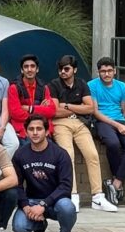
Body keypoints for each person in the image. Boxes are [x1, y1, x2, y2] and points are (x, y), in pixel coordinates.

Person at [48, 55, 117, 213]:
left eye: (66, 69)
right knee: (68, 155)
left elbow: (90, 108)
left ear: (74, 69)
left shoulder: (81, 84)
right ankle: (72, 195)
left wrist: (66, 105)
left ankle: (97, 196)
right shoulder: (53, 84)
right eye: (60, 69)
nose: (63, 72)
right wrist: (76, 108)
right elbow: (54, 111)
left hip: (80, 124)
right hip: (61, 124)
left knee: (92, 155)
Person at [11, 115, 77, 232]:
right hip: (32, 200)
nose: (35, 132)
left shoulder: (60, 154)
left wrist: (43, 205)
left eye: (39, 129)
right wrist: (25, 206)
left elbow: (66, 186)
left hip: (56, 201)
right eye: (31, 129)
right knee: (19, 227)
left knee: (68, 207)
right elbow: (16, 184)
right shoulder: (20, 155)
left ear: (47, 131)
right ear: (26, 132)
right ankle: (39, 226)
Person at [88, 57, 125, 206]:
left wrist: (122, 124)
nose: (106, 74)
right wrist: (117, 126)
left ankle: (116, 182)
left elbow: (124, 109)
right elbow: (95, 112)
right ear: (98, 72)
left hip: (121, 120)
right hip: (102, 121)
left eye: (110, 70)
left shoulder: (122, 86)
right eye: (103, 71)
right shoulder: (92, 85)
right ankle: (116, 185)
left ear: (115, 71)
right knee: (113, 143)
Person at [7, 54, 56, 142]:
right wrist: (41, 109)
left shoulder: (44, 88)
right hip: (23, 129)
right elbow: (15, 113)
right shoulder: (14, 87)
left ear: (37, 69)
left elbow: (51, 111)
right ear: (22, 70)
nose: (29, 69)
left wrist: (30, 109)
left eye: (32, 66)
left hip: (42, 128)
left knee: (51, 150)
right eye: (26, 67)